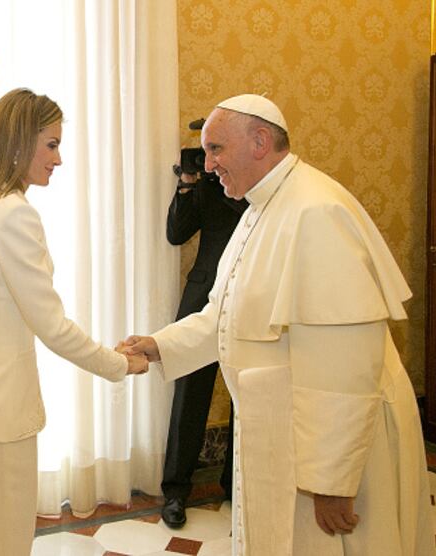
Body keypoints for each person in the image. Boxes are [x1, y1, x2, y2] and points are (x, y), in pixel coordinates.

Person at [124, 94, 433, 555]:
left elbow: (348, 359)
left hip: (332, 447)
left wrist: (332, 480)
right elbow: (225, 314)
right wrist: (159, 345)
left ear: (260, 142)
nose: (208, 166)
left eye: (216, 149)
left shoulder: (315, 212)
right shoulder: (261, 208)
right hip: (284, 431)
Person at [0, 88, 148, 556]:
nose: (58, 159)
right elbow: (51, 323)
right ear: (20, 144)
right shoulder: (14, 215)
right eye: (52, 144)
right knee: (4, 543)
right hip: (1, 413)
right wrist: (118, 364)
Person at [161, 147, 247, 528]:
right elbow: (176, 234)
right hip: (202, 301)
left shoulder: (264, 188)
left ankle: (236, 485)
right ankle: (176, 492)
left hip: (252, 302)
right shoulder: (207, 184)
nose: (212, 158)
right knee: (189, 398)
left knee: (247, 395)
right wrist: (187, 183)